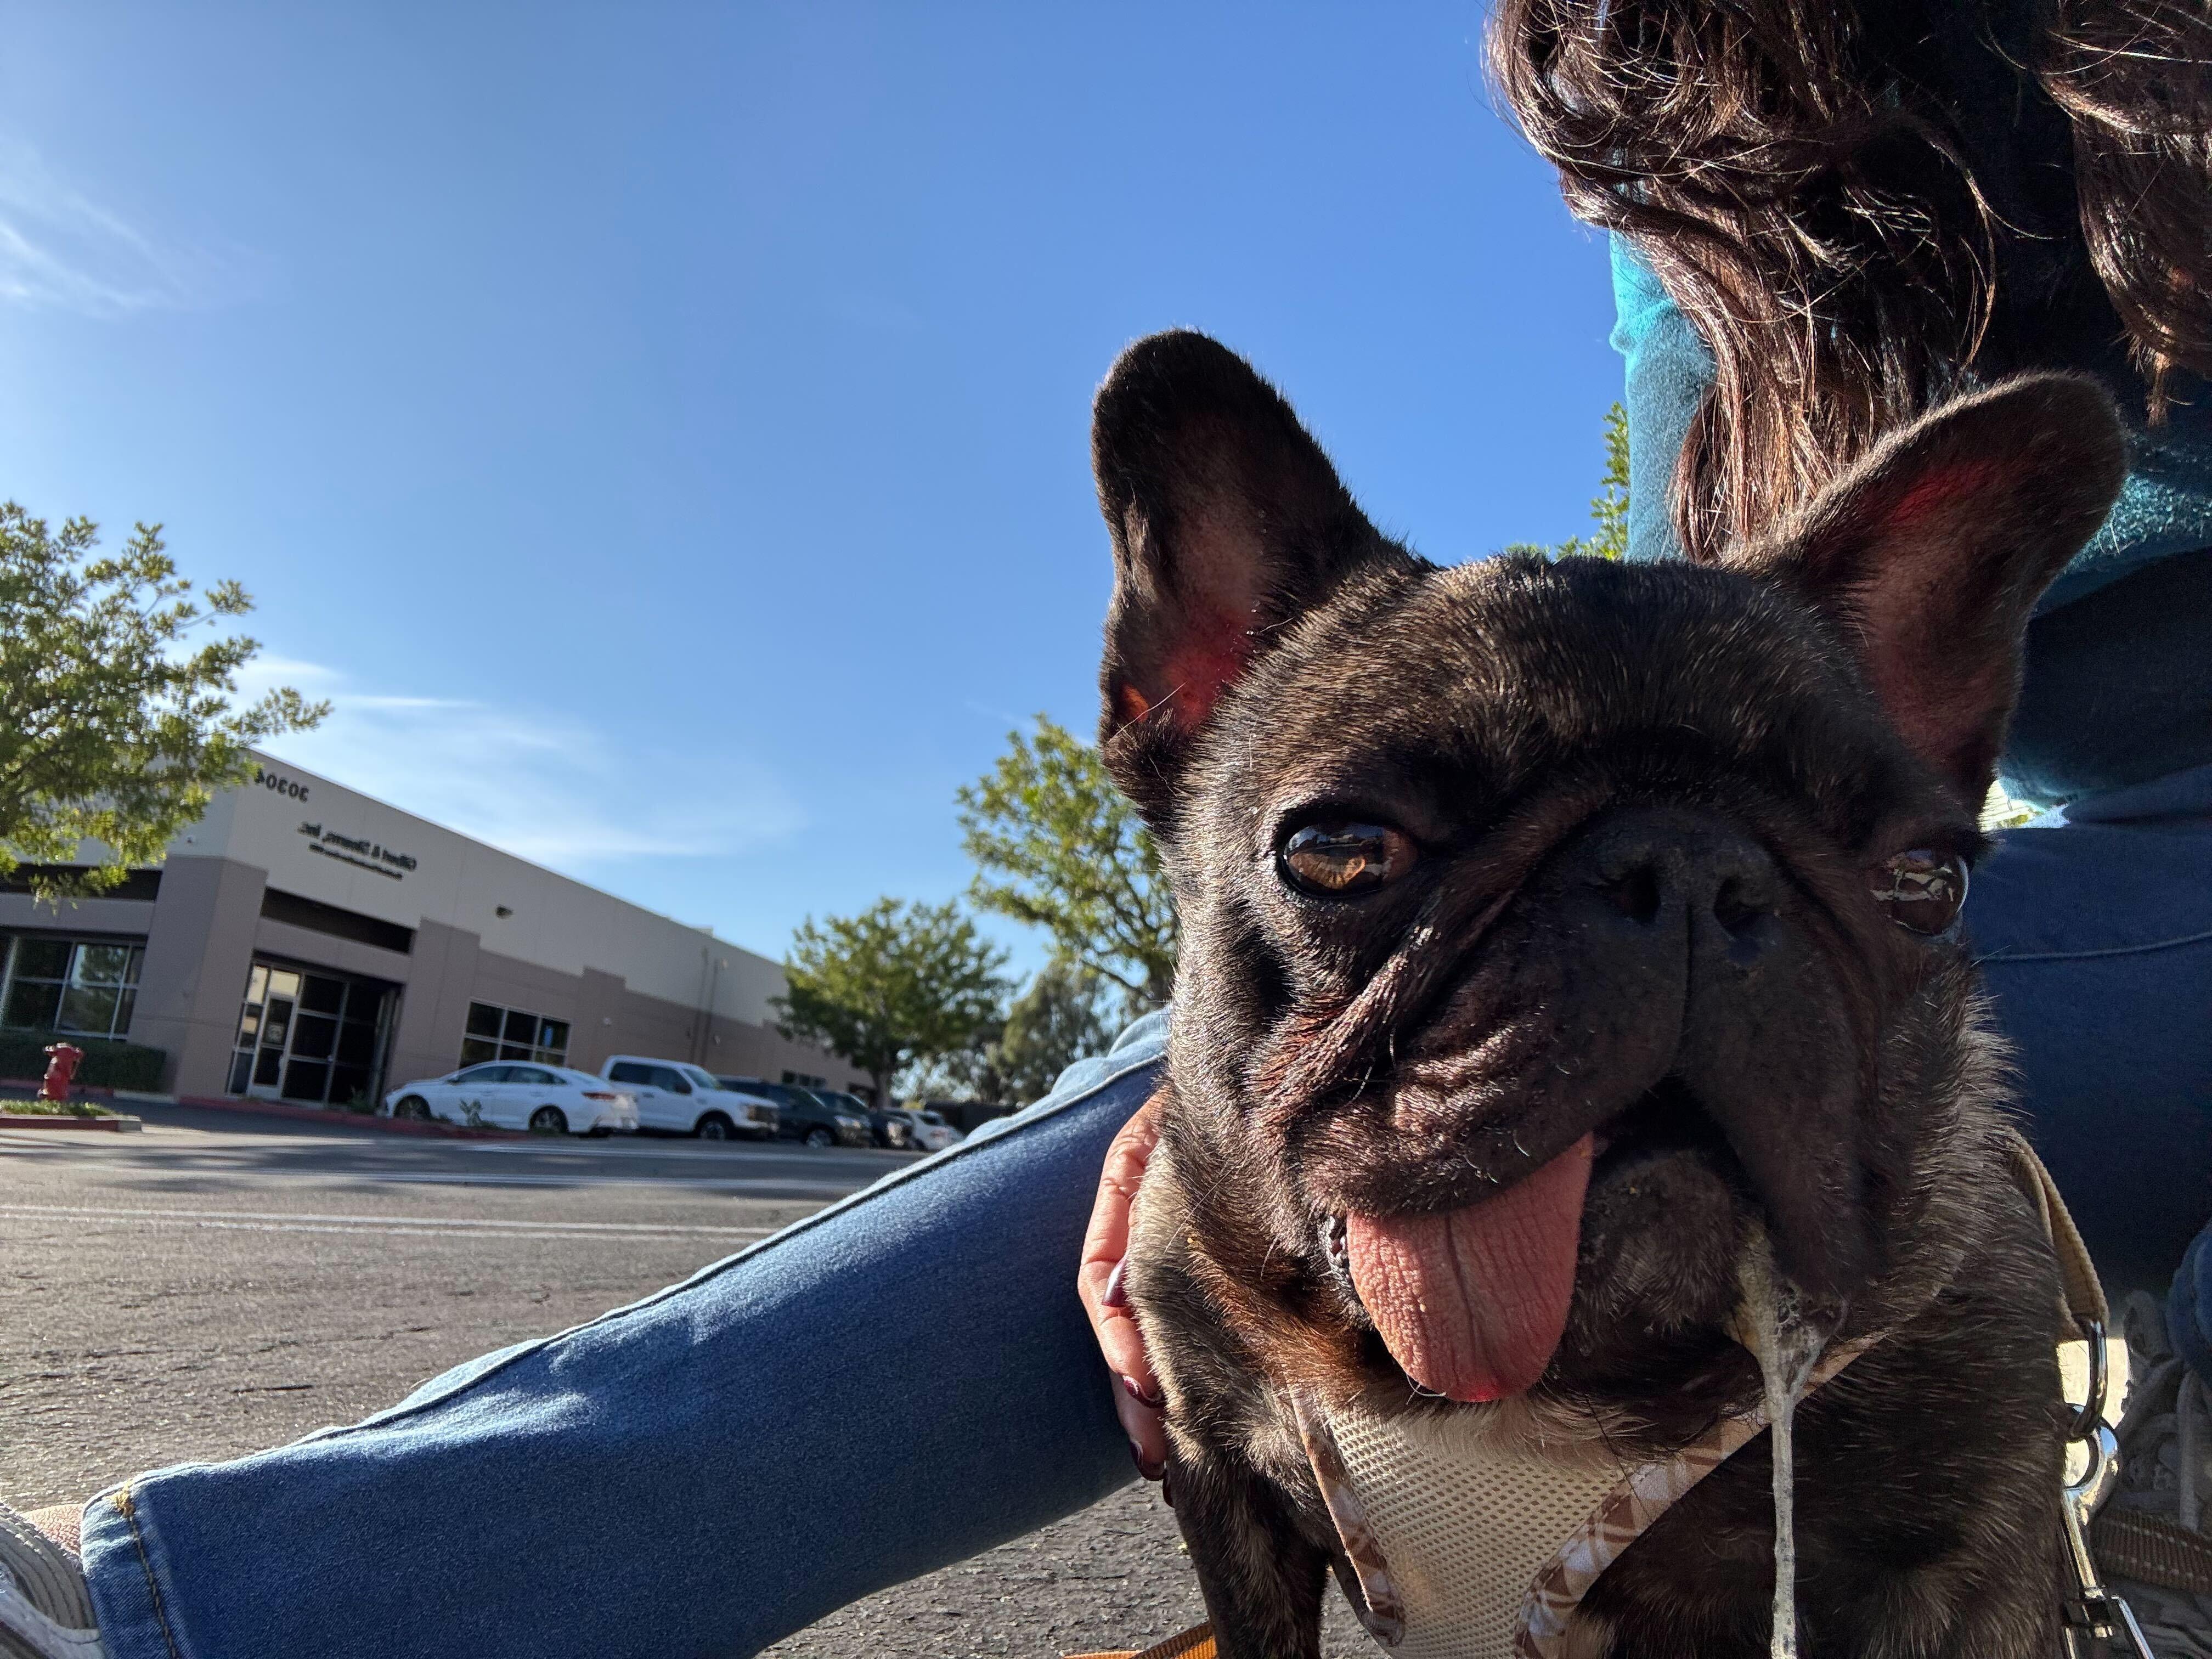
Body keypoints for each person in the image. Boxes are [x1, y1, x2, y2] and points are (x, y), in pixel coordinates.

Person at [5, 3, 2210, 1654]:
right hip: (2091, 865)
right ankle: (235, 1612)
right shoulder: (1701, 113)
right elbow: (1715, 653)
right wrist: (1261, 1057)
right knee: (1161, 1178)